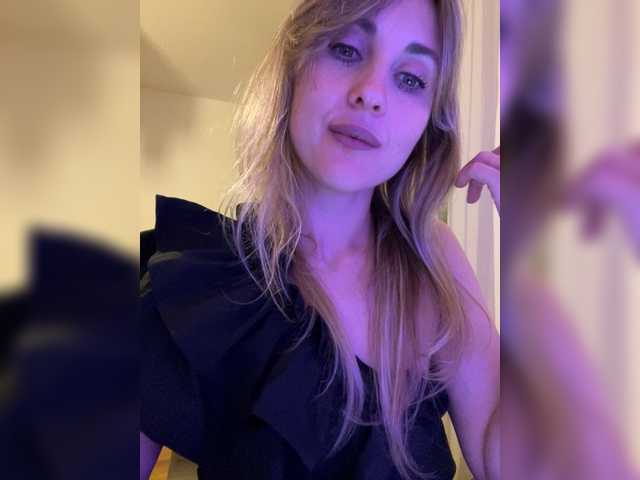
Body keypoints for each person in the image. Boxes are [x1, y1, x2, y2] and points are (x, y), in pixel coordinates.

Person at [140, 1, 500, 479]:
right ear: (294, 64)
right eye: (346, 49)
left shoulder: (435, 261)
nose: (371, 93)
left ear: (427, 126)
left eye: (411, 78)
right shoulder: (189, 286)